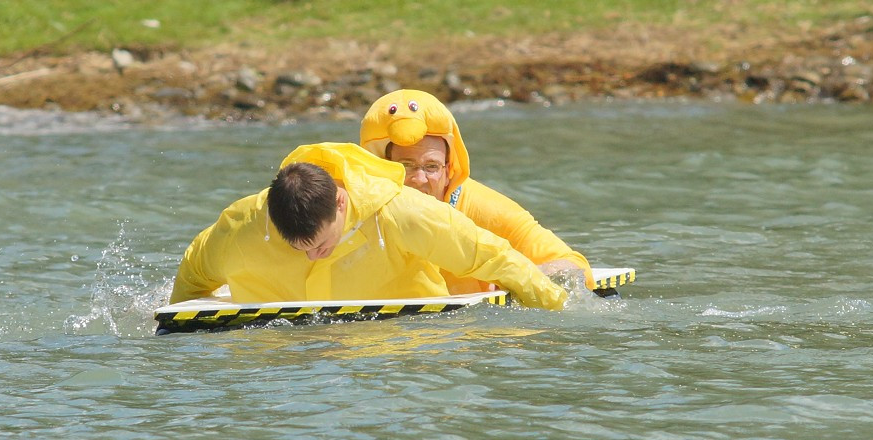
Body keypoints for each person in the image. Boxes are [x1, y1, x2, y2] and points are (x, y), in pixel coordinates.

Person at [169, 142, 570, 310]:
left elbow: (492, 256)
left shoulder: (403, 214)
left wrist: (557, 307)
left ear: (340, 201)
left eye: (320, 244)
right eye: (298, 248)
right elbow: (194, 271)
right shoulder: (242, 225)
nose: (312, 256)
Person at [360, 89, 595, 293]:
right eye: (405, 166)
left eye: (431, 167)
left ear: (449, 168)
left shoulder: (488, 210)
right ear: (382, 168)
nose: (419, 179)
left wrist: (517, 277)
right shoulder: (356, 208)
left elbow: (575, 267)